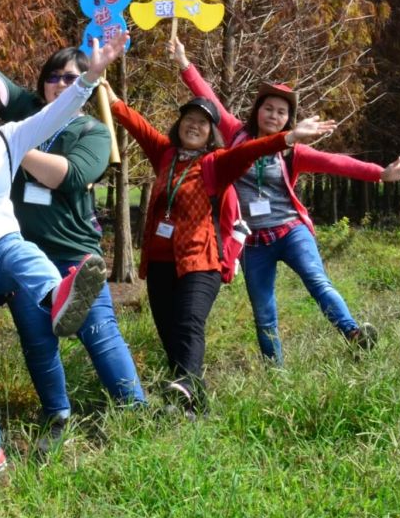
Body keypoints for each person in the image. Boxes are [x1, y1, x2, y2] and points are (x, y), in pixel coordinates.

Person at [0, 6, 146, 450]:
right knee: (36, 342)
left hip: (71, 254)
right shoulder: (21, 111)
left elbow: (68, 175)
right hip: (15, 248)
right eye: (54, 76)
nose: (60, 84)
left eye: (71, 77)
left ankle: (134, 409)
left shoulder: (87, 130)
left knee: (99, 331)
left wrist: (6, 143)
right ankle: (55, 414)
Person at [170, 39, 400, 365]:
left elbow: (336, 163)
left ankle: (353, 333)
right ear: (257, 110)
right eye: (268, 108)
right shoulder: (235, 135)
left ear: (289, 120)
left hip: (289, 230)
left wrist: (380, 174)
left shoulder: (292, 151)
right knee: (263, 310)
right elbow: (210, 99)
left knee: (317, 281)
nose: (274, 116)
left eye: (281, 112)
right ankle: (277, 372)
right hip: (252, 240)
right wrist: (184, 63)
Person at [105, 81, 335, 415]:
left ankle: (185, 385)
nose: (194, 125)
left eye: (203, 121)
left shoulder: (217, 163)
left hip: (201, 261)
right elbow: (135, 122)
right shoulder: (165, 154)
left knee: (189, 323)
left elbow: (249, 151)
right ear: (179, 123)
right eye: (189, 118)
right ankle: (194, 406)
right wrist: (107, 93)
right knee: (170, 334)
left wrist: (289, 138)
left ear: (212, 131)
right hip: (159, 263)